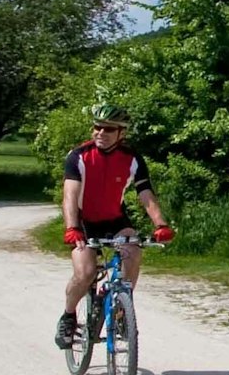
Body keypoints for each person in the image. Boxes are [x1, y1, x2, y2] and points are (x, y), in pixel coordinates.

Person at [54, 105, 172, 348]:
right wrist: (71, 227)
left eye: (108, 129)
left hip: (114, 219)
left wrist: (160, 223)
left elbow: (145, 193)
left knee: (134, 251)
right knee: (85, 272)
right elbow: (69, 194)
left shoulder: (131, 158)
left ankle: (120, 311)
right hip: (83, 221)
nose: (100, 132)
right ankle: (68, 316)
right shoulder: (78, 156)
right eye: (97, 127)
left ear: (121, 133)